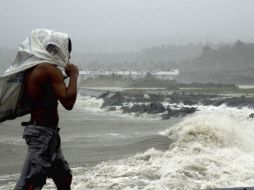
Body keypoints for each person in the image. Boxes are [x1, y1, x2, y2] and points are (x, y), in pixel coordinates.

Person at [15, 31, 79, 190]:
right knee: (30, 184)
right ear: (60, 51)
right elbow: (68, 102)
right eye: (67, 52)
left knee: (64, 178)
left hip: (47, 135)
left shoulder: (36, 68)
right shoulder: (49, 70)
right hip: (42, 135)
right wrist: (74, 75)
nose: (68, 57)